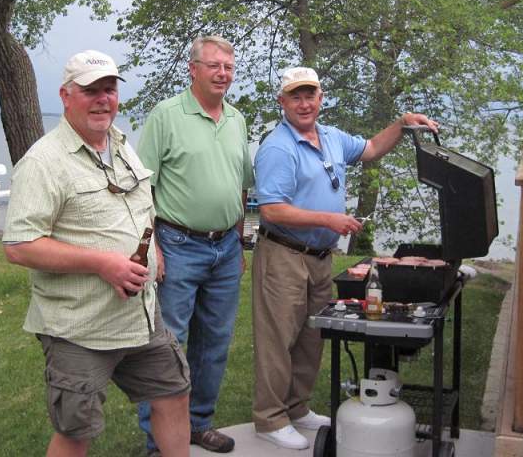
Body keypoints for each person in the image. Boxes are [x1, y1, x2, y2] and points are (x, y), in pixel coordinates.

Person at [2, 50, 190, 457]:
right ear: (66, 96)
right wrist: (103, 263)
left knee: (173, 393)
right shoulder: (44, 162)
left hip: (139, 317)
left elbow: (140, 206)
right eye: (91, 91)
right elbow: (19, 246)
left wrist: (152, 245)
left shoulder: (121, 145)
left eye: (109, 89)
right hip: (80, 327)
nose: (103, 99)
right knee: (77, 427)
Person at [252, 66, 439, 450]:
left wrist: (402, 124)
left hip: (320, 258)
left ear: (321, 98)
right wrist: (330, 219)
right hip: (284, 256)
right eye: (295, 96)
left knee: (312, 335)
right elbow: (272, 210)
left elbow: (370, 149)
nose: (304, 103)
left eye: (310, 95)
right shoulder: (277, 147)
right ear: (282, 102)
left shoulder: (332, 138)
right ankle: (270, 419)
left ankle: (297, 407)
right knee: (278, 339)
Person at [136, 36, 254, 456]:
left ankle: (198, 424)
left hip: (224, 248)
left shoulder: (237, 119)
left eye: (228, 66)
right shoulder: (166, 115)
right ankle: (157, 441)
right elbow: (141, 189)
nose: (222, 73)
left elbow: (241, 188)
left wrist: (238, 243)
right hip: (177, 244)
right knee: (166, 347)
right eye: (214, 66)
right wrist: (154, 250)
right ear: (193, 69)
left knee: (215, 342)